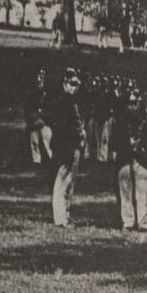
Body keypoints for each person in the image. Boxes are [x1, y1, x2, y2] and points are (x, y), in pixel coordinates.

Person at [113, 86, 147, 232]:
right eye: (130, 103)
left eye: (136, 103)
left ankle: (144, 223)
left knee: (145, 183)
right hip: (124, 160)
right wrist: (128, 144)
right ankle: (128, 222)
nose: (133, 106)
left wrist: (140, 148)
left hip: (140, 160)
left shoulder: (144, 122)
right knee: (125, 188)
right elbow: (113, 143)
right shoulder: (119, 122)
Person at [50, 69, 85, 227]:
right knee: (62, 182)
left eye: (77, 84)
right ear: (65, 83)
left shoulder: (72, 102)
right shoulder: (62, 102)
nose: (74, 87)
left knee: (70, 182)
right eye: (72, 84)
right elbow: (62, 129)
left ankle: (66, 215)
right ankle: (61, 218)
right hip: (66, 146)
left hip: (74, 145)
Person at [25, 69, 52, 166]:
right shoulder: (31, 91)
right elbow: (28, 107)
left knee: (48, 140)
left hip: (45, 120)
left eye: (42, 75)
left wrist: (44, 117)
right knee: (34, 141)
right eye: (39, 75)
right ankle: (36, 161)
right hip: (34, 119)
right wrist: (33, 119)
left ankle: (51, 159)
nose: (40, 78)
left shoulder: (49, 91)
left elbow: (51, 106)